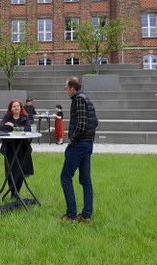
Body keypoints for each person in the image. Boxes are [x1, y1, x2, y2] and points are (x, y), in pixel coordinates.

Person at [61, 77, 98, 223]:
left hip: (80, 145)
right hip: (87, 144)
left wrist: (72, 141)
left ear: (72, 88)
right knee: (85, 180)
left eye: (66, 87)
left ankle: (71, 215)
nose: (65, 90)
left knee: (65, 177)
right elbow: (95, 122)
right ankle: (86, 215)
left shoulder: (78, 99)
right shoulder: (86, 98)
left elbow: (82, 125)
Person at [0, 99, 33, 199]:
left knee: (21, 170)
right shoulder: (7, 117)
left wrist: (13, 126)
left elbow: (28, 129)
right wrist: (18, 129)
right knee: (10, 170)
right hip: (9, 148)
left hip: (22, 148)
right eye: (14, 106)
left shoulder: (25, 117)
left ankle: (17, 192)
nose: (16, 108)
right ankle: (12, 192)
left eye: (18, 106)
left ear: (20, 107)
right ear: (11, 108)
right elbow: (2, 128)